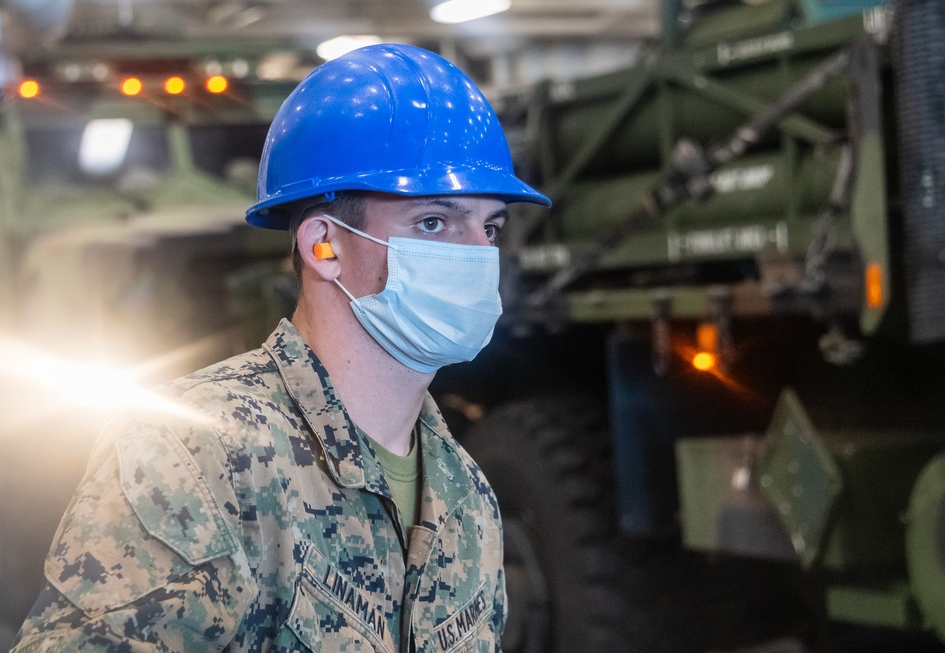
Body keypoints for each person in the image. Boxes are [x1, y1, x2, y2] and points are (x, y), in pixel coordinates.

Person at [11, 44, 549, 653]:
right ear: (324, 245)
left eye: (491, 227)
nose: (477, 255)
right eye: (433, 222)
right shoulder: (195, 456)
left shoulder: (465, 494)